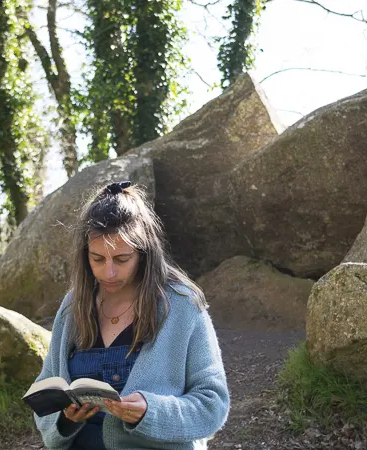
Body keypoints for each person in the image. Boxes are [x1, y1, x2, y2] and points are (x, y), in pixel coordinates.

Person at [33, 181, 230, 450]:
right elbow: (45, 392)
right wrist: (65, 420)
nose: (108, 273)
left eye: (122, 259)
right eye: (97, 259)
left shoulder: (182, 304)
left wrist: (152, 411)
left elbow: (213, 405)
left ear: (144, 253)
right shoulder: (72, 307)